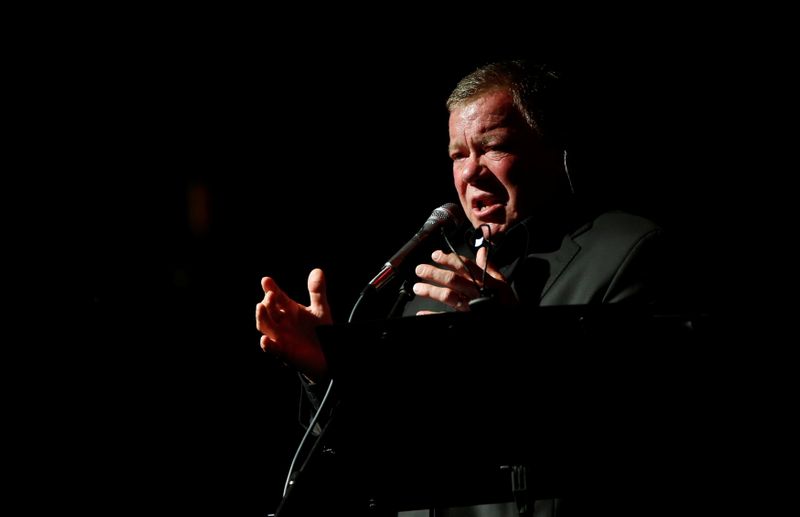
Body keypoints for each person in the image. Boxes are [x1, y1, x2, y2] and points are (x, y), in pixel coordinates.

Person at [256, 60, 673, 516]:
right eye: (458, 155)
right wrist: (327, 373)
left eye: (493, 147)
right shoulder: (426, 288)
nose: (470, 173)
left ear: (554, 150)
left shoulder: (628, 252)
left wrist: (512, 339)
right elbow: (379, 455)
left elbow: (636, 427)